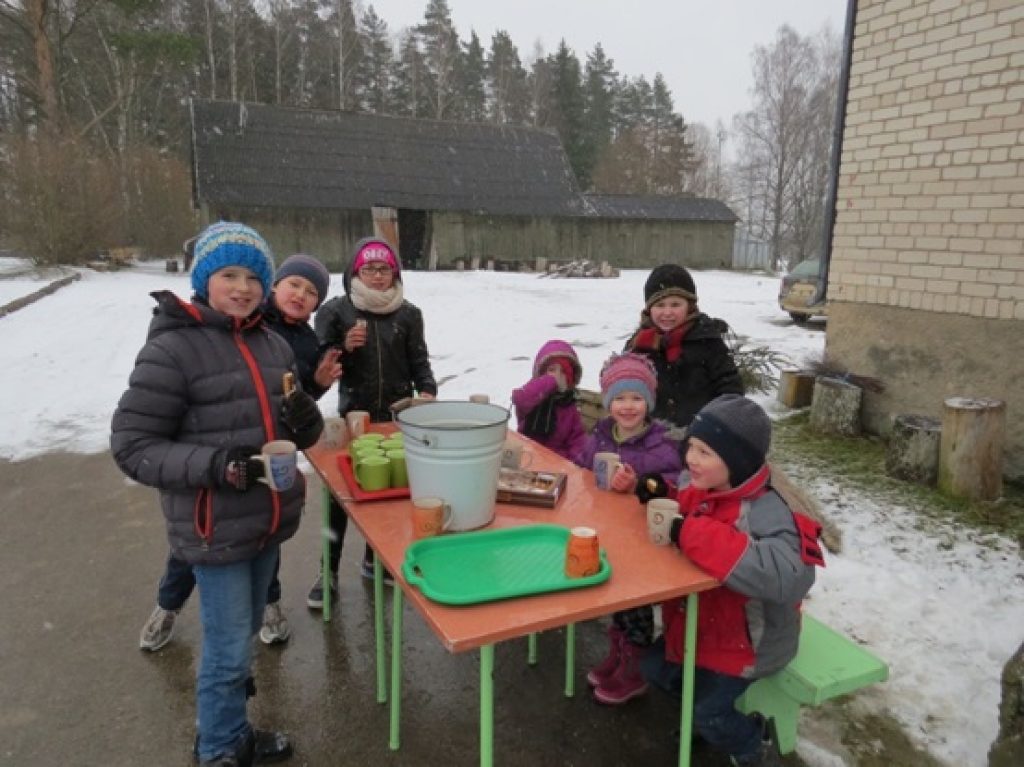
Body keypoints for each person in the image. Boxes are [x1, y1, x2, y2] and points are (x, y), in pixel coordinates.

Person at [111, 221, 324, 766]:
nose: (244, 286)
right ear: (204, 278)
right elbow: (134, 446)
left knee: (244, 640)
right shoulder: (174, 350)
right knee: (227, 652)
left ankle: (235, 732)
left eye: (255, 276)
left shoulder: (273, 343)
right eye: (229, 273)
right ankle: (217, 751)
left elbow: (299, 432)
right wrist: (216, 465)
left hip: (266, 518)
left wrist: (304, 417)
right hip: (213, 526)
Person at [137, 253, 342, 651]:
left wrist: (313, 389)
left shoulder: (300, 341)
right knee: (190, 552)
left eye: (312, 291)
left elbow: (287, 400)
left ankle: (269, 603)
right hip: (212, 475)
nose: (300, 295)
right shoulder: (238, 319)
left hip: (264, 470)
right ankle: (168, 606)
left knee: (267, 539)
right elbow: (141, 439)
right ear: (275, 287)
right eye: (293, 284)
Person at [636, 394, 824, 767]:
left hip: (750, 645)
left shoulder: (772, 512)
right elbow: (686, 506)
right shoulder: (704, 486)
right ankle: (707, 722)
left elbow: (791, 577)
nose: (691, 459)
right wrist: (663, 492)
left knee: (710, 711)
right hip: (702, 628)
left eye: (705, 452)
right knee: (654, 669)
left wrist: (693, 534)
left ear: (736, 462)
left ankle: (753, 745)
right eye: (692, 447)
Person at [309, 237, 437, 607]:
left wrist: (427, 390)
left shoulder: (409, 314)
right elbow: (320, 364)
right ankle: (328, 571)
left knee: (389, 492)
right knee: (341, 498)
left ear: (395, 272)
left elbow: (420, 362)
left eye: (385, 269)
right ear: (355, 271)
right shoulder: (337, 311)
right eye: (370, 269)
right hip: (354, 419)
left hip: (397, 418)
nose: (378, 276)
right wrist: (343, 347)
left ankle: (373, 560)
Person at [575, 352, 683, 705]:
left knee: (634, 601)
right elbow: (581, 467)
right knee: (616, 598)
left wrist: (641, 484)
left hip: (643, 540)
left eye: (636, 398)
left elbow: (672, 483)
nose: (628, 406)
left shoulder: (661, 444)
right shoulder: (602, 435)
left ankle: (635, 669)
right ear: (608, 402)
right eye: (619, 398)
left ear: (648, 401)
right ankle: (617, 653)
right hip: (609, 531)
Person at [625, 264, 744, 430]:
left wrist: (716, 426)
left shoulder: (707, 341)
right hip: (652, 436)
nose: (667, 312)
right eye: (660, 305)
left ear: (690, 306)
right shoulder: (640, 344)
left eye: (675, 305)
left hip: (699, 435)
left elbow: (730, 389)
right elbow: (622, 381)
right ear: (649, 309)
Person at [511, 340, 585, 461]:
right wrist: (549, 382)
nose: (557, 376)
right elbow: (520, 399)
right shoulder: (534, 397)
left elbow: (577, 442)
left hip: (557, 462)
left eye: (563, 372)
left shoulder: (569, 406)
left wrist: (570, 464)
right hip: (528, 457)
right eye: (552, 370)